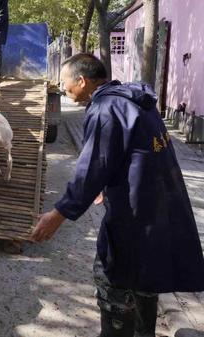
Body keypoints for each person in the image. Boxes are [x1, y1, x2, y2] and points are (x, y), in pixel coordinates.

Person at [32, 53, 204, 336]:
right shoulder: (137, 102)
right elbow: (131, 153)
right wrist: (108, 182)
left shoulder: (105, 110)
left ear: (82, 80)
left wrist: (58, 214)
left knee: (115, 280)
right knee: (146, 281)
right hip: (158, 211)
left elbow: (89, 170)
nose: (63, 89)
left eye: (65, 83)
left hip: (133, 218)